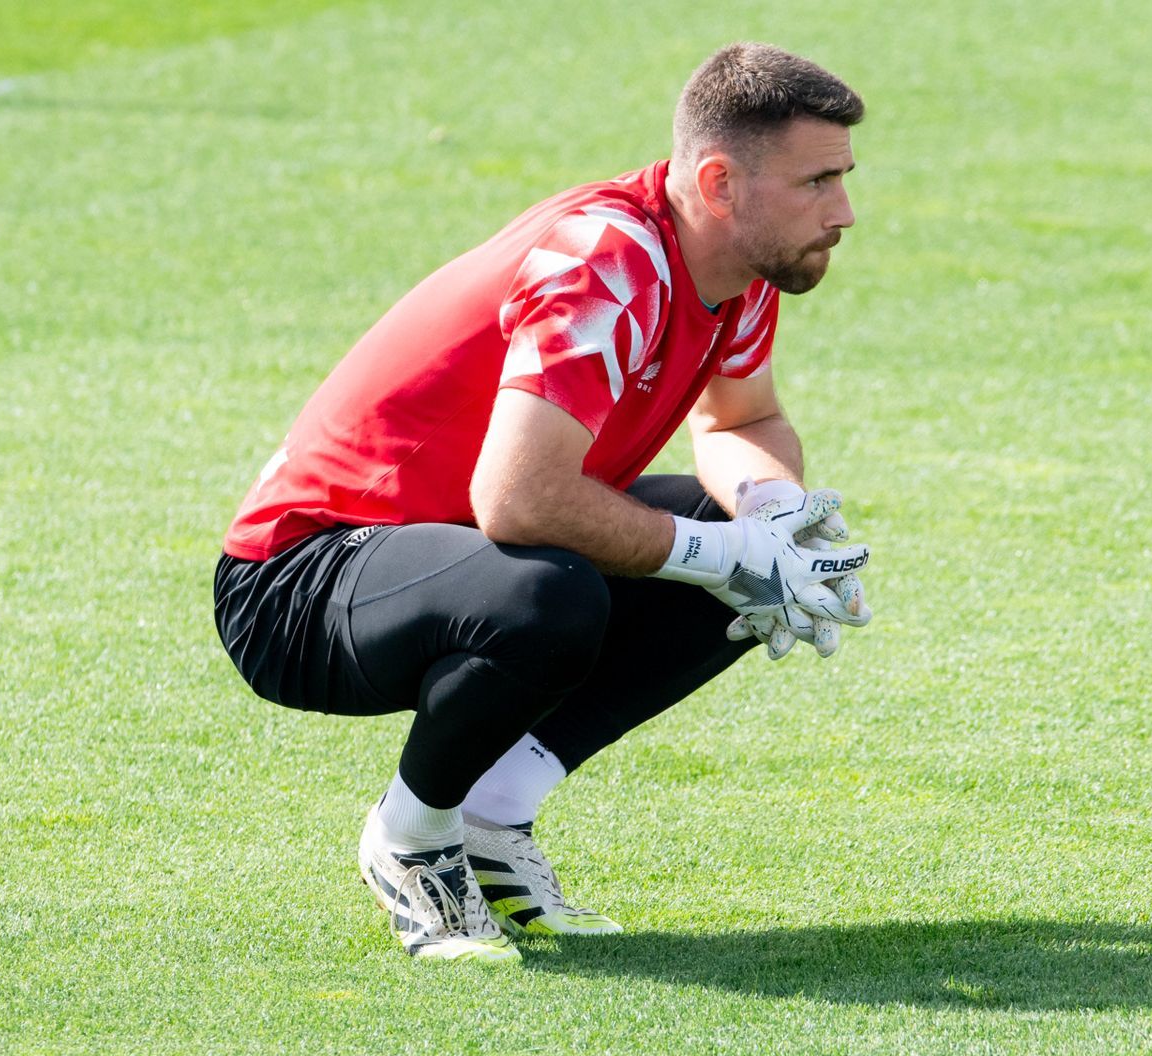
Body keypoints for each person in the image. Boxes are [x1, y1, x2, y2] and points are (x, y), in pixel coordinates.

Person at [211, 43, 876, 962]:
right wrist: (729, 559)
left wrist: (771, 518)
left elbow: (742, 417)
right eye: (817, 182)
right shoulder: (606, 261)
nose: (843, 212)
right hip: (297, 582)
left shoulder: (737, 264)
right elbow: (519, 503)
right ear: (719, 183)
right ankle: (409, 841)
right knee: (554, 592)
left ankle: (491, 818)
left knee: (721, 538)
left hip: (443, 548)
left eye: (842, 177)